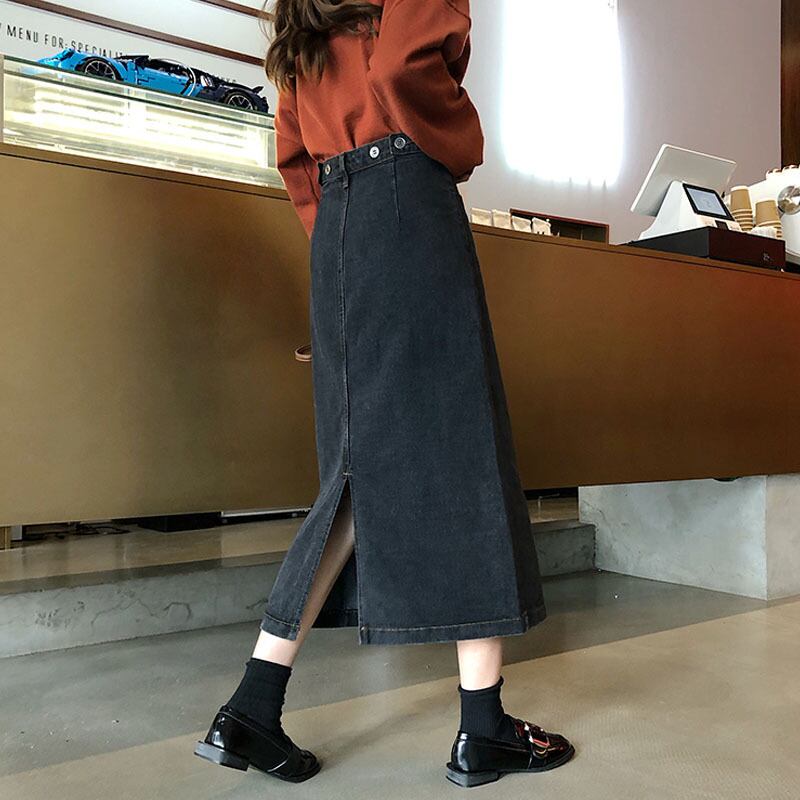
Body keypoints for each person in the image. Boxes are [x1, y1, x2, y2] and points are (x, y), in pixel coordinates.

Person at [194, 0, 574, 788]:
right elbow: (404, 66)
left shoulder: (301, 31)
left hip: (340, 230)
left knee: (357, 472)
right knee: (462, 454)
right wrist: (448, 147)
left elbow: (294, 161)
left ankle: (254, 704)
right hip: (407, 210)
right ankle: (482, 727)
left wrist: (348, 237)